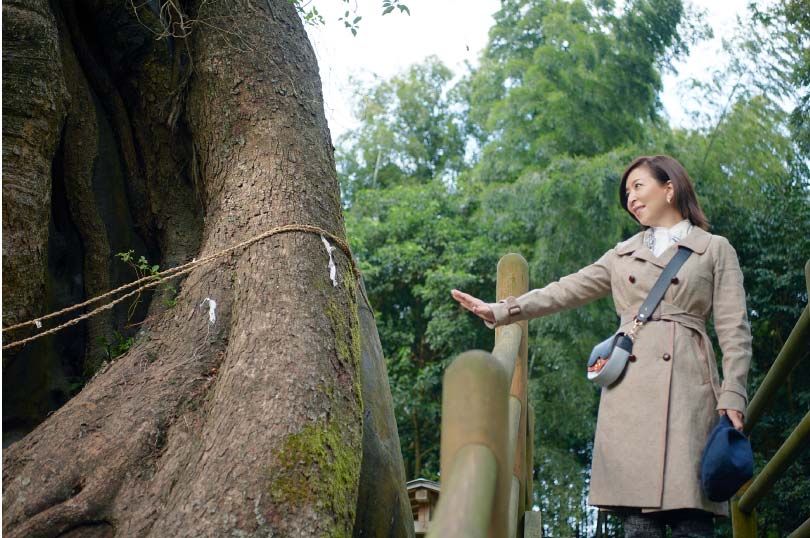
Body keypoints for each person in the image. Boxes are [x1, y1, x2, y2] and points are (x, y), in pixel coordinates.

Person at [450, 155, 752, 537]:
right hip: (630, 391)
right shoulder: (621, 253)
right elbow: (566, 289)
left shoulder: (713, 248)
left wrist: (733, 395)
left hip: (689, 389)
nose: (631, 198)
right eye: (627, 193)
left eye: (639, 186)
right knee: (637, 523)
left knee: (692, 520)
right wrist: (504, 310)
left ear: (669, 188)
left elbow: (734, 329)